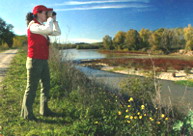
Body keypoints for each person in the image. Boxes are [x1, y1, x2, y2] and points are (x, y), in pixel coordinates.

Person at [20, 5, 61, 121]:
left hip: (43, 60)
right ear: (38, 13)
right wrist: (49, 19)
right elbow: (48, 30)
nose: (47, 15)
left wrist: (54, 20)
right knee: (32, 87)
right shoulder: (33, 25)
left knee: (46, 86)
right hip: (34, 61)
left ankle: (44, 110)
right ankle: (27, 114)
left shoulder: (42, 27)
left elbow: (57, 32)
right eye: (45, 13)